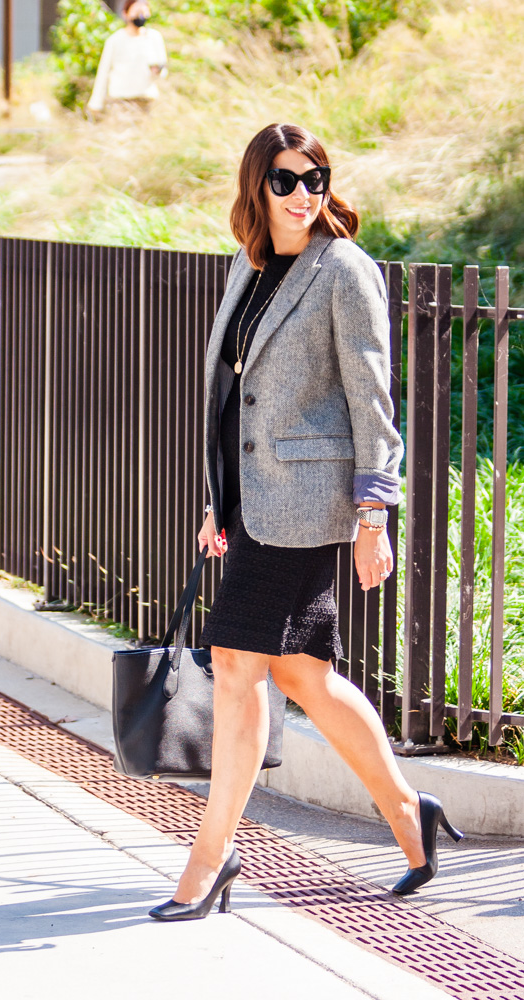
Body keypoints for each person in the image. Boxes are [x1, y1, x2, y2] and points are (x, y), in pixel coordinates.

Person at [149, 122, 463, 922]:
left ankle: (210, 857)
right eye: (285, 181)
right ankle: (408, 814)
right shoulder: (249, 266)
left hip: (306, 505)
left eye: (314, 179)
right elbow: (233, 398)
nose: (300, 196)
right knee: (299, 673)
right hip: (255, 503)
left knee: (235, 662)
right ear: (256, 185)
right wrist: (220, 497)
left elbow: (371, 401)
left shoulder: (344, 270)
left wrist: (373, 515)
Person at [87, 0, 167, 114]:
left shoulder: (154, 37)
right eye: (136, 11)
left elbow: (163, 70)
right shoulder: (115, 40)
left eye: (143, 11)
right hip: (120, 102)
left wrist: (158, 71)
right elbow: (103, 72)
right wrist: (96, 103)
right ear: (125, 13)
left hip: (146, 102)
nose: (140, 15)